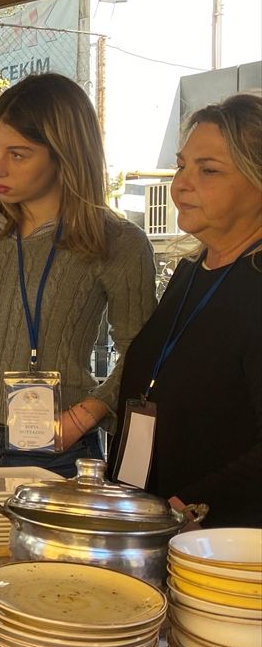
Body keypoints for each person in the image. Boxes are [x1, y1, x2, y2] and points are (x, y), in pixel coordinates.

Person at [0, 72, 157, 477]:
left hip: (55, 442)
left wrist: (85, 417)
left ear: (64, 154)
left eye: (18, 154)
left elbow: (142, 354)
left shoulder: (118, 242)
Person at [110, 92, 261, 528]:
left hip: (221, 546)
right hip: (150, 519)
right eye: (181, 165)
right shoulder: (191, 270)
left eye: (208, 170)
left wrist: (191, 503)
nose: (180, 184)